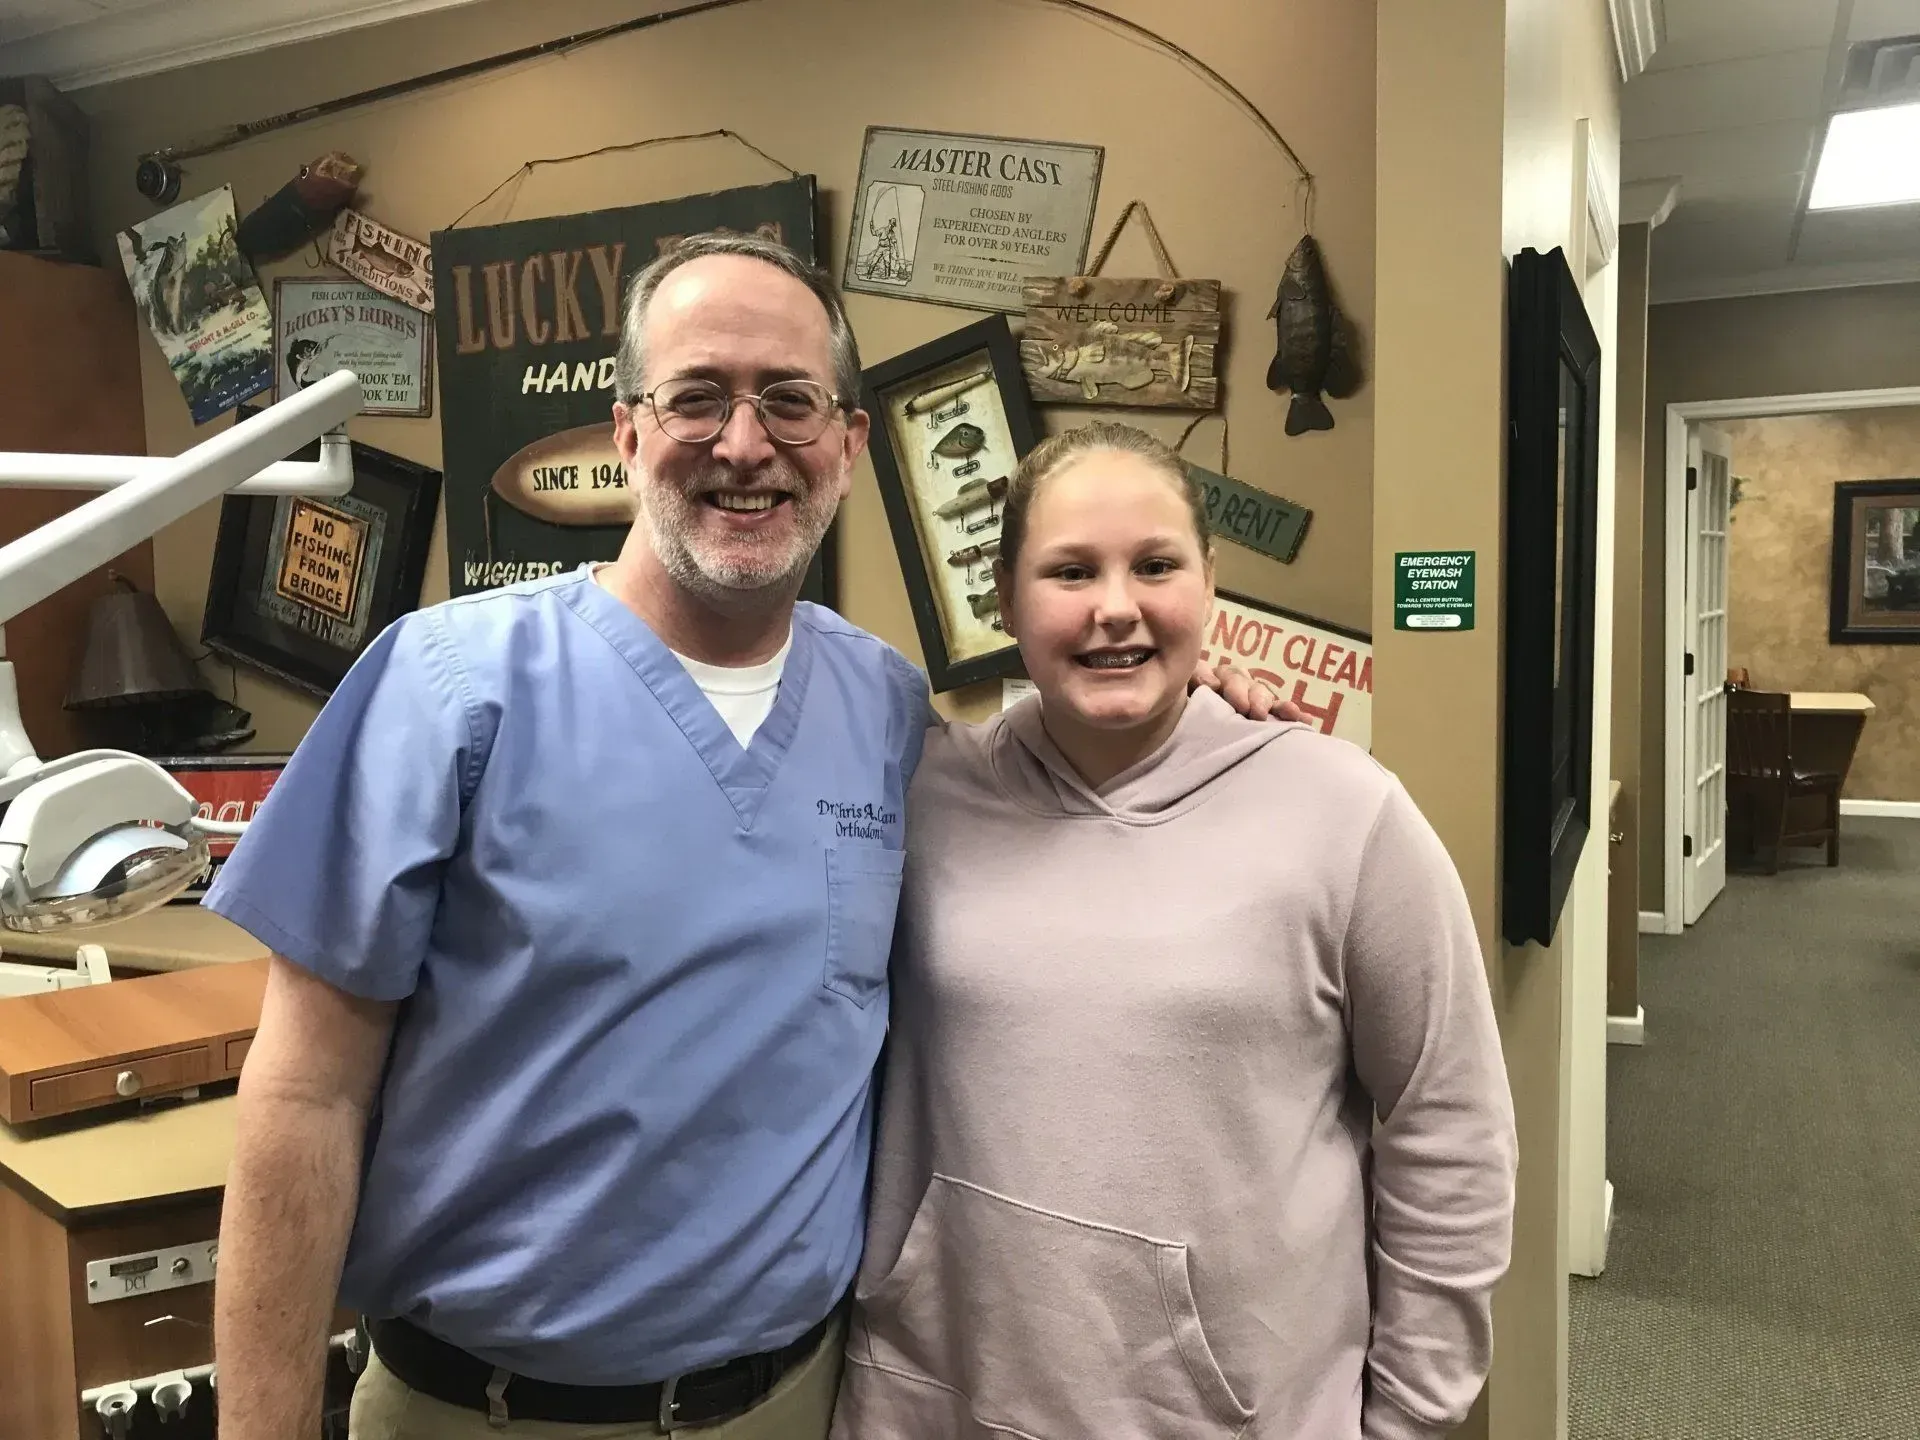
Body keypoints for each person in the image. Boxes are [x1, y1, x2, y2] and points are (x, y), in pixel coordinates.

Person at [205, 234, 1287, 1440]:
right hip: (485, 1410)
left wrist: (1187, 695)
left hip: (798, 1400)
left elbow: (1058, 801)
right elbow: (302, 1097)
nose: (743, 443)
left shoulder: (884, 710)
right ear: (625, 431)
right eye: (696, 397)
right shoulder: (448, 688)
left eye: (788, 401)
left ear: (848, 442)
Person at [832, 422, 1519, 1440]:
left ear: (1209, 584)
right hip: (934, 1396)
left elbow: (1448, 1126)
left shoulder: (1346, 816)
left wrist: (1413, 1416)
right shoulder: (922, 792)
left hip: (1234, 1414)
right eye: (1070, 571)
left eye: (1156, 564)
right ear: (1007, 599)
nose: (1118, 607)